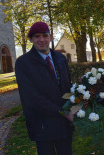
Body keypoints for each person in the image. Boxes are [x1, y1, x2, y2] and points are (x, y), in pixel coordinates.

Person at [15, 21, 74, 155]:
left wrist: (78, 101)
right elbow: (31, 97)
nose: (41, 40)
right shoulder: (23, 63)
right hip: (42, 124)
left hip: (64, 124)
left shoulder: (60, 58)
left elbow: (67, 86)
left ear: (51, 37)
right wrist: (62, 112)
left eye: (44, 35)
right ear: (30, 39)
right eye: (36, 36)